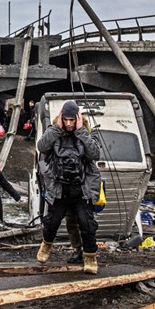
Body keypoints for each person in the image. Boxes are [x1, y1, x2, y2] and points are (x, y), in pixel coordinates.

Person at [35, 100, 101, 274]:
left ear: (78, 118)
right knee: (52, 221)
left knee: (87, 224)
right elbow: (41, 146)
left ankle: (90, 257)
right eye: (67, 120)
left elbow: (95, 153)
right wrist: (57, 128)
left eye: (73, 120)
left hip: (81, 189)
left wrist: (81, 131)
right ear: (62, 118)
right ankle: (46, 246)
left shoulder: (87, 132)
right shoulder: (54, 130)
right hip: (60, 188)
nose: (69, 123)